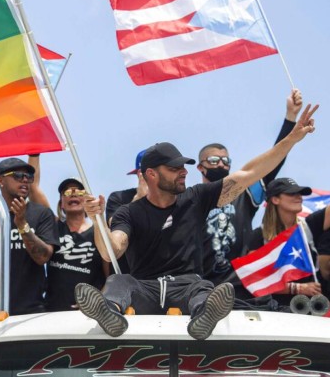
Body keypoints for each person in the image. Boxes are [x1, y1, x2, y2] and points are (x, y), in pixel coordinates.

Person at [75, 103, 317, 340]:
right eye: (174, 168)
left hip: (187, 287)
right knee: (119, 280)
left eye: (184, 166)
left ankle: (204, 317)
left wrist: (291, 139)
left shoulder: (196, 198)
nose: (184, 171)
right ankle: (109, 313)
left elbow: (250, 174)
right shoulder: (129, 212)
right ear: (151, 174)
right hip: (144, 289)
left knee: (203, 289)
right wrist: (97, 220)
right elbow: (111, 252)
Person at [199, 89, 303, 300]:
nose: (221, 163)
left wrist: (290, 119)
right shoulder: (192, 199)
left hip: (239, 281)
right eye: (213, 160)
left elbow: (270, 165)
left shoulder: (244, 195)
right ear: (200, 167)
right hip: (198, 281)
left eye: (226, 161)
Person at [0, 157, 59, 322]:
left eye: (29, 177)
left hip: (31, 312)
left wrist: (22, 225)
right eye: (17, 176)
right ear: (0, 180)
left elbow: (42, 257)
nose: (25, 180)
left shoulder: (41, 214)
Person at [27, 155, 108, 311]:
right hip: (53, 312)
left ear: (87, 200)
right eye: (67, 192)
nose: (73, 194)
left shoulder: (100, 233)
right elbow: (33, 189)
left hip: (89, 315)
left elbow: (110, 277)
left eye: (79, 192)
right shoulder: (54, 226)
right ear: (61, 203)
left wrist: (96, 300)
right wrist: (34, 152)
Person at [249, 177, 330, 308]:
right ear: (275, 199)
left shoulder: (308, 227)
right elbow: (254, 280)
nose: (299, 197)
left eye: (300, 193)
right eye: (292, 193)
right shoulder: (258, 236)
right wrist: (297, 288)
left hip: (313, 312)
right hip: (274, 312)